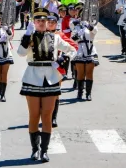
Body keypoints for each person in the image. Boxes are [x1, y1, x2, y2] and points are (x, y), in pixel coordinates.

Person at [17, 8, 76, 162]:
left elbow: (72, 49)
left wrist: (64, 59)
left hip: (51, 78)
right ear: (34, 23)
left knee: (47, 116)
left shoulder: (55, 38)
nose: (42, 23)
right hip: (32, 77)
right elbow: (21, 53)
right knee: (34, 115)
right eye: (38, 21)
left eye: (44, 21)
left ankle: (44, 150)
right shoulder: (29, 37)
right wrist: (26, 37)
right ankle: (34, 150)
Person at [46, 11, 78, 127]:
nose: (50, 24)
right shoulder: (39, 34)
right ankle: (44, 116)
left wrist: (64, 57)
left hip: (55, 68)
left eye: (53, 22)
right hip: (40, 68)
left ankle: (53, 118)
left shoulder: (59, 35)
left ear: (56, 24)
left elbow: (74, 46)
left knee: (55, 93)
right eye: (48, 22)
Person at [71, 11, 99, 100]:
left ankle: (88, 94)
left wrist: (88, 26)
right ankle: (80, 93)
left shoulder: (92, 25)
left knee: (89, 73)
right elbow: (73, 38)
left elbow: (94, 31)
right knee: (80, 73)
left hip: (90, 51)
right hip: (79, 51)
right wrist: (79, 31)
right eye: (81, 16)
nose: (83, 18)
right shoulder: (76, 26)